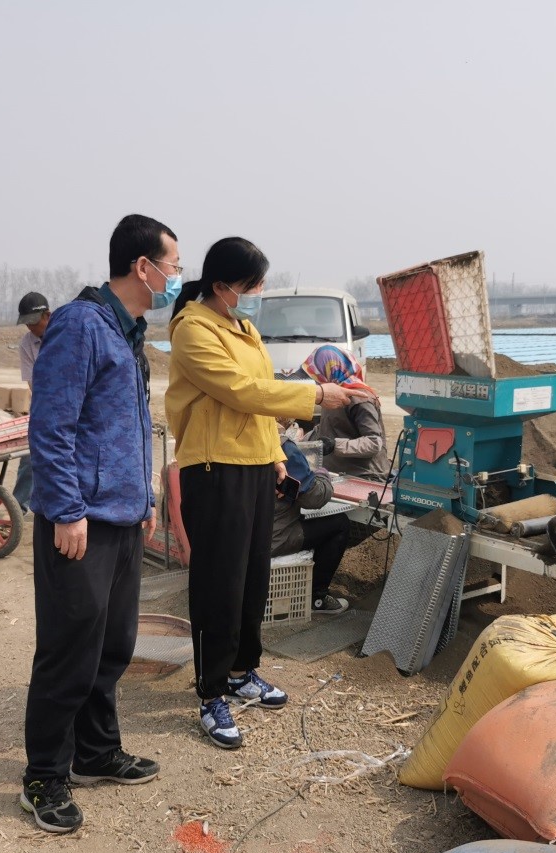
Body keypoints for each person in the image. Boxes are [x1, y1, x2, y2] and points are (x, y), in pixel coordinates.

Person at [165, 237, 351, 750]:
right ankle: (210, 693)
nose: (258, 294)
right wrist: (316, 394)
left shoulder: (242, 328)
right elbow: (242, 392)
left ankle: (242, 670)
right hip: (214, 467)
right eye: (253, 285)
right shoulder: (193, 330)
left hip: (251, 466)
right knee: (218, 583)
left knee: (252, 576)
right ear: (223, 285)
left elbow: (261, 405)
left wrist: (274, 456)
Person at [21, 214, 173, 834]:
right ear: (143, 267)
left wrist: (145, 497)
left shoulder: (127, 332)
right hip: (80, 520)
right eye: (173, 266)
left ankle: (96, 751)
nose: (175, 278)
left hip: (122, 517)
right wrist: (66, 509)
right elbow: (51, 425)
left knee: (113, 644)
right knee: (69, 649)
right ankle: (43, 776)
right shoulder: (81, 325)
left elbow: (126, 426)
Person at [271, 430, 352, 615]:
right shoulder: (282, 446)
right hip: (270, 539)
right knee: (340, 524)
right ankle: (317, 597)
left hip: (233, 534)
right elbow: (315, 498)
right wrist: (322, 474)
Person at [301, 344, 389, 480]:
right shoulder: (332, 394)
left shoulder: (360, 398)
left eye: (317, 375)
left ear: (330, 370)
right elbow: (330, 427)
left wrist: (335, 445)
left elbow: (373, 443)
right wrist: (301, 441)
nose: (316, 381)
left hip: (364, 476)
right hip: (337, 472)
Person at [12, 290, 50, 514]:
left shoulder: (66, 335)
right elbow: (32, 382)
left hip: (75, 404)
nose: (31, 328)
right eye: (27, 324)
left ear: (48, 315)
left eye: (34, 323)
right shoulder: (27, 344)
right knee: (29, 456)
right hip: (44, 404)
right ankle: (19, 506)